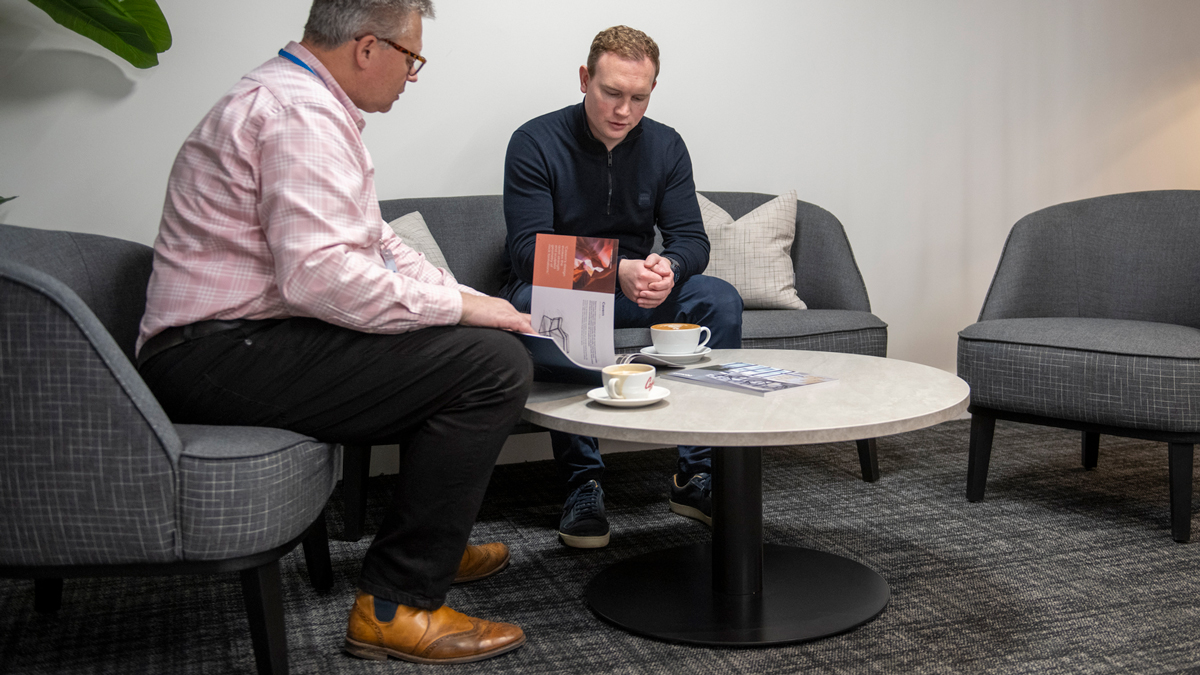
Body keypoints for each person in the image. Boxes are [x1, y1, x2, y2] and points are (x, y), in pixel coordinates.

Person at [136, 0, 531, 665]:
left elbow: (374, 244)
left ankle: (433, 537)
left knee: (464, 341)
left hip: (232, 343)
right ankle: (396, 603)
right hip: (214, 353)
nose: (413, 75)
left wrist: (466, 297)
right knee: (490, 365)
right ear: (368, 48)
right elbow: (320, 279)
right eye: (413, 57)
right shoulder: (298, 115)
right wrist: (463, 313)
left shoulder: (303, 102)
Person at [500, 26, 744, 548]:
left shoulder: (666, 144)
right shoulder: (533, 142)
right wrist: (615, 271)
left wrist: (670, 268)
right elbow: (528, 252)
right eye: (612, 93)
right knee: (537, 306)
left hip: (637, 293)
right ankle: (582, 483)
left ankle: (695, 475)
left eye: (639, 97)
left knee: (719, 299)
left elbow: (692, 240)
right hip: (563, 289)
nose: (623, 110)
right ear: (585, 79)